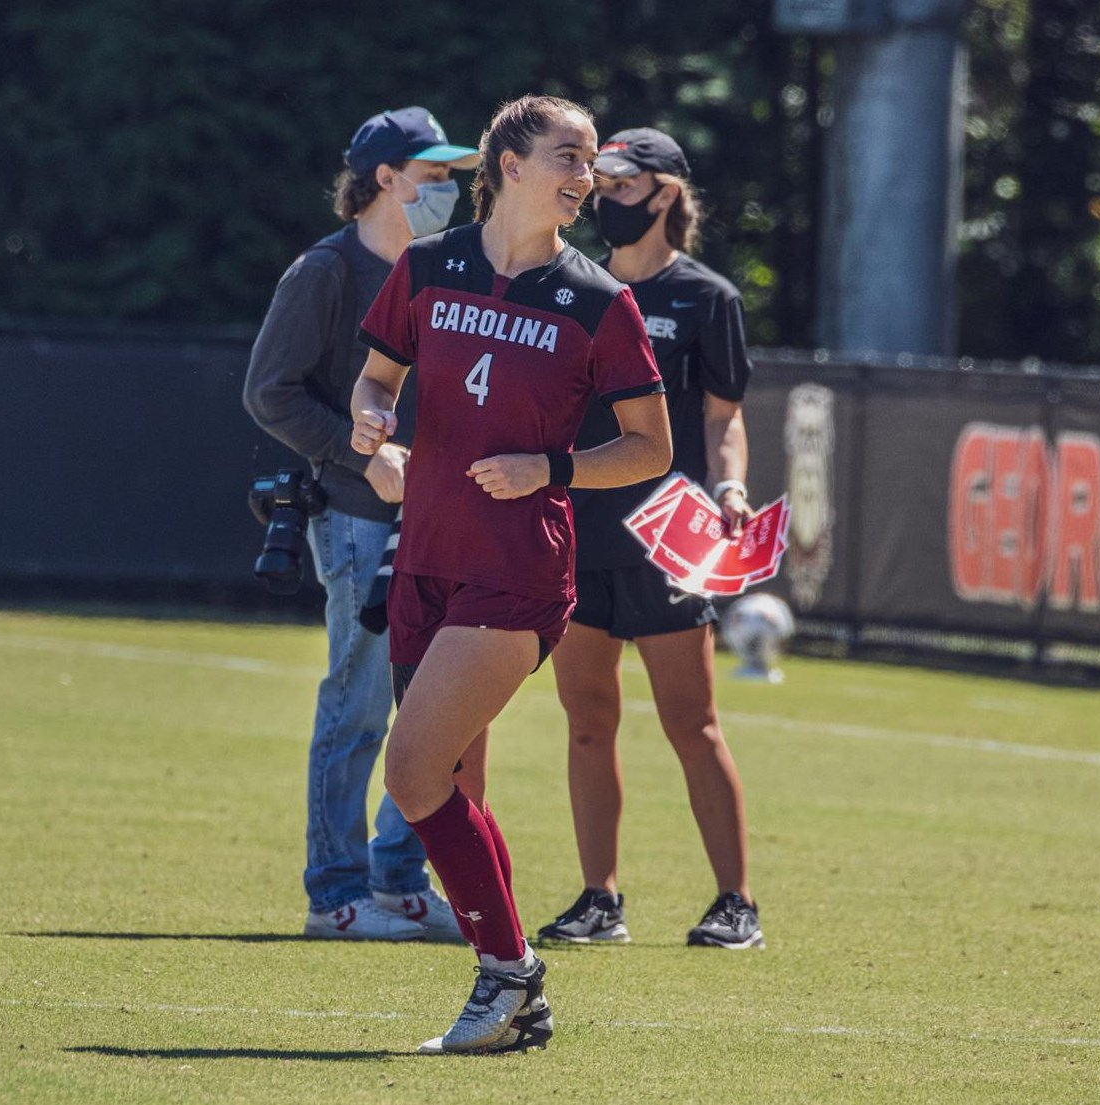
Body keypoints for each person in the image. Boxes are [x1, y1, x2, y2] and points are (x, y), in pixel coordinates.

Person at [350, 95, 671, 1054]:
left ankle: (508, 974)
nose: (587, 177)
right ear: (507, 163)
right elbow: (377, 377)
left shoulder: (598, 299)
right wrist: (371, 421)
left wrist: (554, 467)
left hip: (520, 567)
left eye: (594, 163)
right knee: (435, 782)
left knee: (410, 768)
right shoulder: (424, 267)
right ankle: (515, 983)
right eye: (569, 157)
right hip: (424, 559)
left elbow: (648, 447)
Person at [242, 107, 481, 942]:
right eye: (436, 175)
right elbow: (268, 392)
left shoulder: (447, 267)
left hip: (444, 522)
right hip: (353, 520)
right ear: (385, 178)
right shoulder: (324, 270)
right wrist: (360, 457)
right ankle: (335, 894)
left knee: (435, 710)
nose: (449, 190)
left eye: (453, 176)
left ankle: (396, 879)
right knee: (358, 706)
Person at [535, 127, 765, 951]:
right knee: (587, 720)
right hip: (576, 526)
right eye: (600, 184)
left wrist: (730, 486)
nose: (604, 199)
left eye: (622, 185)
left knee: (690, 722)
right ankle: (599, 900)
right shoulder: (574, 288)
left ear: (666, 194)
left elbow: (721, 419)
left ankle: (735, 902)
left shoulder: (708, 299)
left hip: (668, 540)